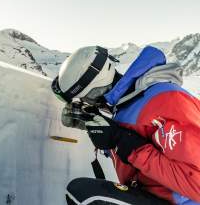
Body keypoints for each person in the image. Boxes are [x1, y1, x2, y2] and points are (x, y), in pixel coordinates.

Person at [51, 46, 200, 204]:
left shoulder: (167, 100)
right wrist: (91, 126)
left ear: (94, 91)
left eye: (84, 99)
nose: (86, 103)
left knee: (84, 195)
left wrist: (120, 140)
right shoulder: (128, 105)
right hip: (150, 195)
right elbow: (139, 147)